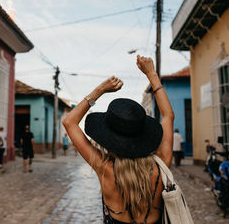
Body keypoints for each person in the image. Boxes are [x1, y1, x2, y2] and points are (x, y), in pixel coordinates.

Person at [62, 55, 174, 224]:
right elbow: (167, 116)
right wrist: (152, 74)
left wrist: (100, 90)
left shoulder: (105, 169)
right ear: (143, 134)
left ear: (108, 137)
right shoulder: (161, 166)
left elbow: (69, 122)